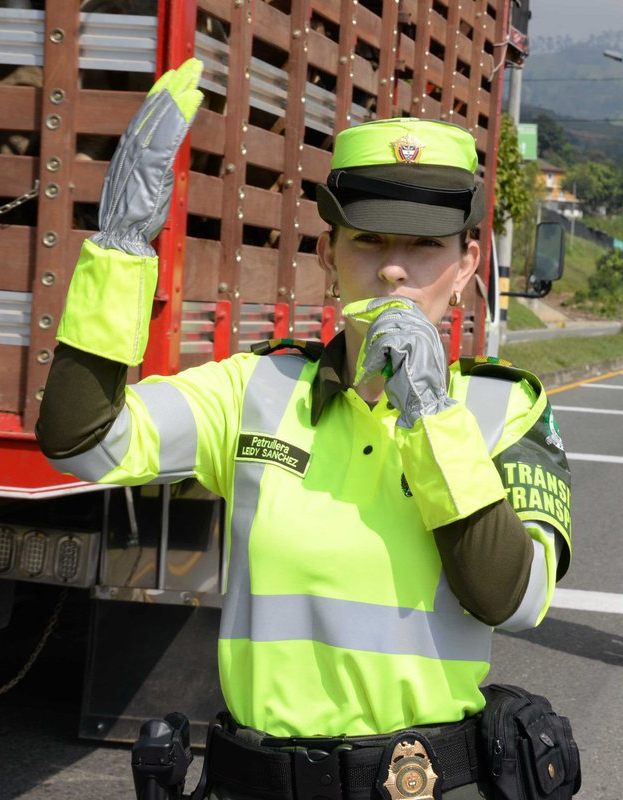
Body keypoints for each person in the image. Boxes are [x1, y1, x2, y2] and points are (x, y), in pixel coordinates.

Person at [35, 59, 574, 799]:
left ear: (467, 263)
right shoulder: (256, 389)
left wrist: (429, 415)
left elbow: (509, 599)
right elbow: (82, 442)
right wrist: (121, 254)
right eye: (369, 243)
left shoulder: (505, 410)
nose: (393, 272)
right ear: (329, 255)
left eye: (423, 247)